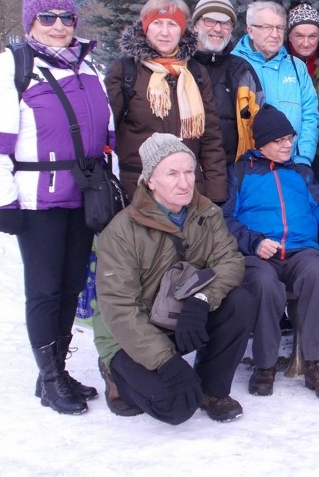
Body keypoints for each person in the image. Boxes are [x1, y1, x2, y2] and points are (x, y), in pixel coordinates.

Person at [0, 0, 113, 414]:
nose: (59, 26)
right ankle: (49, 377)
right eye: (48, 18)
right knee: (44, 290)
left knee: (73, 287)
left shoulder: (86, 65)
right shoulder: (10, 68)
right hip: (37, 201)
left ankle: (58, 367)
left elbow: (105, 129)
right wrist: (5, 203)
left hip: (83, 197)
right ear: (30, 22)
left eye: (67, 18)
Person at [93, 133, 254, 424]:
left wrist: (202, 300)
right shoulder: (121, 232)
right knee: (176, 406)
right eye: (172, 173)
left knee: (240, 301)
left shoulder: (207, 214)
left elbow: (231, 261)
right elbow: (120, 310)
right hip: (129, 334)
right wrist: (166, 362)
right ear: (150, 181)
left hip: (179, 316)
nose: (184, 182)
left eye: (189, 171)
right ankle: (114, 374)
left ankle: (211, 389)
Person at [223, 104, 319, 400]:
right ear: (261, 142)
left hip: (301, 251)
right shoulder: (240, 172)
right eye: (280, 140)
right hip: (260, 253)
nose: (288, 144)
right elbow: (226, 220)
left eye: (290, 138)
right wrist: (254, 242)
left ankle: (318, 364)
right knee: (264, 285)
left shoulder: (301, 173)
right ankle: (264, 366)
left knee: (318, 275)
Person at [105, 0, 226, 203]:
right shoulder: (125, 71)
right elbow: (105, 133)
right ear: (145, 27)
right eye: (157, 23)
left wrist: (214, 196)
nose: (164, 32)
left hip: (187, 188)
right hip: (139, 188)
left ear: (181, 30)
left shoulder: (195, 72)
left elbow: (211, 138)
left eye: (172, 24)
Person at [231, 1, 319, 170]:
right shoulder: (234, 65)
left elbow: (310, 114)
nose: (274, 34)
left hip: (293, 163)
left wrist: (303, 158)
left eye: (279, 28)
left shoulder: (296, 66)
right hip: (250, 167)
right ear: (250, 30)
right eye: (267, 27)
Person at [191, 0, 264, 165]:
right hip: (186, 173)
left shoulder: (242, 70)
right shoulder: (180, 67)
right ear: (195, 25)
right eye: (209, 21)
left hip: (233, 170)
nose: (217, 29)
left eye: (225, 23)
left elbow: (258, 122)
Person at [286, 3, 319, 191]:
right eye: (299, 36)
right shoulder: (279, 66)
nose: (306, 42)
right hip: (287, 155)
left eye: (312, 36)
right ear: (289, 36)